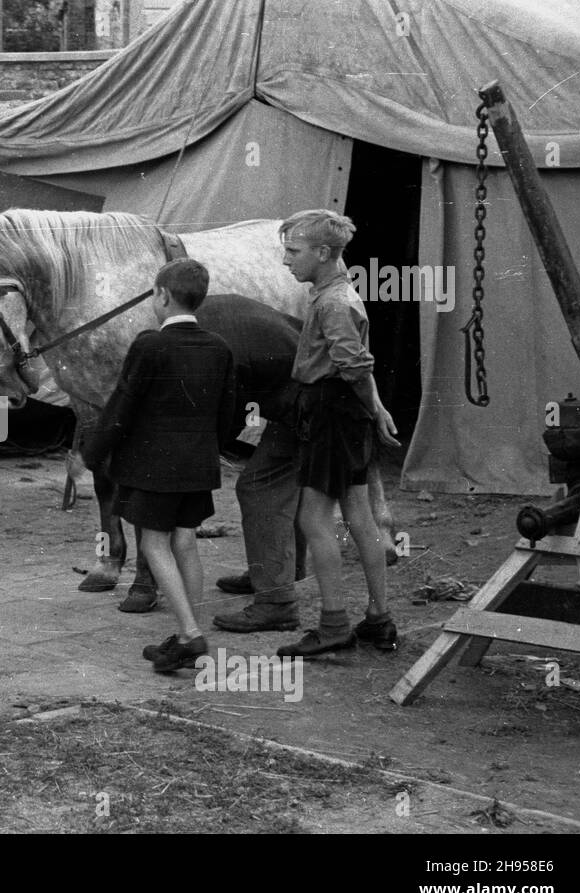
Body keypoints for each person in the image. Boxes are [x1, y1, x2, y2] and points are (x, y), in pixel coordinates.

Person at [82, 259, 238, 674]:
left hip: (155, 468)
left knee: (154, 545)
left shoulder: (150, 345)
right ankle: (188, 632)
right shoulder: (219, 347)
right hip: (197, 467)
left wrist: (91, 454)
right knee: (185, 544)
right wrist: (206, 449)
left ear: (162, 295)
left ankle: (191, 634)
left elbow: (121, 408)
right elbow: (229, 415)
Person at [121, 296, 308, 630]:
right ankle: (280, 572)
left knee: (259, 487)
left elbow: (225, 416)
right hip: (301, 390)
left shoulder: (212, 350)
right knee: (282, 483)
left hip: (308, 401)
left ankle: (277, 601)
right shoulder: (208, 322)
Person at [273, 209, 400, 657]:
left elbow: (353, 365)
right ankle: (378, 619)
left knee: (313, 518)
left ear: (323, 252)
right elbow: (360, 364)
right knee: (360, 516)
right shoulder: (339, 293)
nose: (286, 260)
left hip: (331, 412)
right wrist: (376, 409)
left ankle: (333, 627)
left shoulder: (332, 302)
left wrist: (374, 407)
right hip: (345, 411)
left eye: (294, 251)